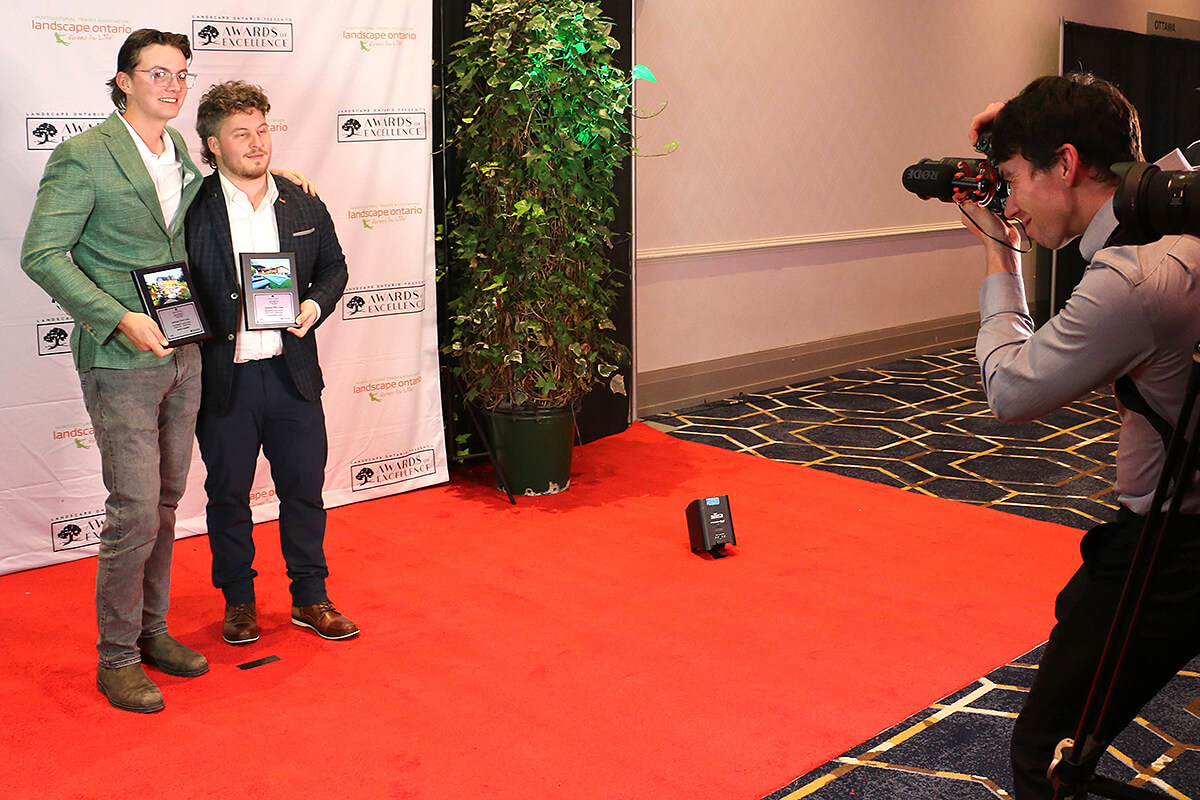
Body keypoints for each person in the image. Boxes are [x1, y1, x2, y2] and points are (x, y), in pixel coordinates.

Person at [961, 73, 1200, 799]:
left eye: (1011, 180)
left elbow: (1010, 389)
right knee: (1077, 621)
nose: (1013, 205)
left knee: (1047, 753)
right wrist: (1021, 131)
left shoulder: (1132, 280)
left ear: (1065, 165)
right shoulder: (1183, 211)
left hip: (1171, 553)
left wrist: (998, 253)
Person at [20, 29, 209, 714]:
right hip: (120, 356)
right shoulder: (83, 156)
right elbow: (42, 254)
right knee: (133, 507)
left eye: (182, 73)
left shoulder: (180, 149)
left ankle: (154, 632)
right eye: (157, 72)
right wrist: (117, 317)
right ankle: (117, 657)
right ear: (124, 80)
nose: (173, 84)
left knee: (163, 505)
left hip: (185, 347)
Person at [185, 80, 357, 645]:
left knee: (304, 491)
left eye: (262, 130)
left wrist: (313, 304)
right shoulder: (190, 210)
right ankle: (238, 602)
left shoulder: (302, 200)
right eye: (241, 134)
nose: (257, 143)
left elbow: (335, 267)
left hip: (293, 377)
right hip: (225, 381)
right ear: (212, 145)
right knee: (228, 497)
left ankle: (311, 597)